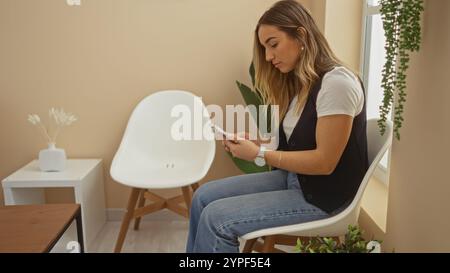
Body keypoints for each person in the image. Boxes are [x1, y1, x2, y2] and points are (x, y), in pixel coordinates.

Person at [186, 0, 368, 253]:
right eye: (265, 48)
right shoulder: (304, 84)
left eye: (273, 44)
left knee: (217, 219)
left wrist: (258, 154)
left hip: (325, 198)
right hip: (297, 180)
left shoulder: (337, 83)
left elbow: (325, 162)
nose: (269, 56)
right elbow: (300, 142)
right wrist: (257, 143)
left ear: (301, 35)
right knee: (202, 197)